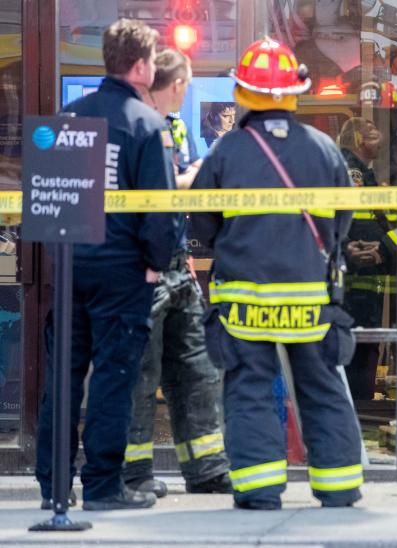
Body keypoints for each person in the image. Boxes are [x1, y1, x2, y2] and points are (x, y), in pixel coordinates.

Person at [191, 37, 362, 510]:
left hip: (246, 303)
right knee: (322, 387)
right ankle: (340, 486)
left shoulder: (226, 152)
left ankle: (260, 489)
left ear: (243, 94)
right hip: (310, 301)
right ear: (294, 93)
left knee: (248, 390)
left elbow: (202, 224)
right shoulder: (325, 149)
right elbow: (343, 223)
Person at [35, 18, 181, 511]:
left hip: (70, 267)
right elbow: (160, 214)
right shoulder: (147, 125)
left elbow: (51, 203)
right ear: (140, 67)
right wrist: (157, 264)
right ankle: (101, 487)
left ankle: (53, 486)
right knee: (114, 379)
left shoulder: (66, 119)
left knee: (63, 382)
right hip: (122, 274)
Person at [123, 48, 232, 499]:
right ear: (174, 84)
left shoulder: (172, 125)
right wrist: (193, 179)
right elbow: (157, 190)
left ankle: (206, 469)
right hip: (141, 269)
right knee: (141, 376)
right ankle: (135, 472)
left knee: (198, 369)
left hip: (177, 265)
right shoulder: (133, 125)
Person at [338, 117, 397, 400]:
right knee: (363, 346)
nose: (380, 141)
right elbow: (359, 222)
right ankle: (361, 411)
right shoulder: (353, 172)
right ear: (360, 140)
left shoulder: (360, 170)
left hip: (356, 274)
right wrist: (379, 247)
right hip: (357, 276)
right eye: (374, 136)